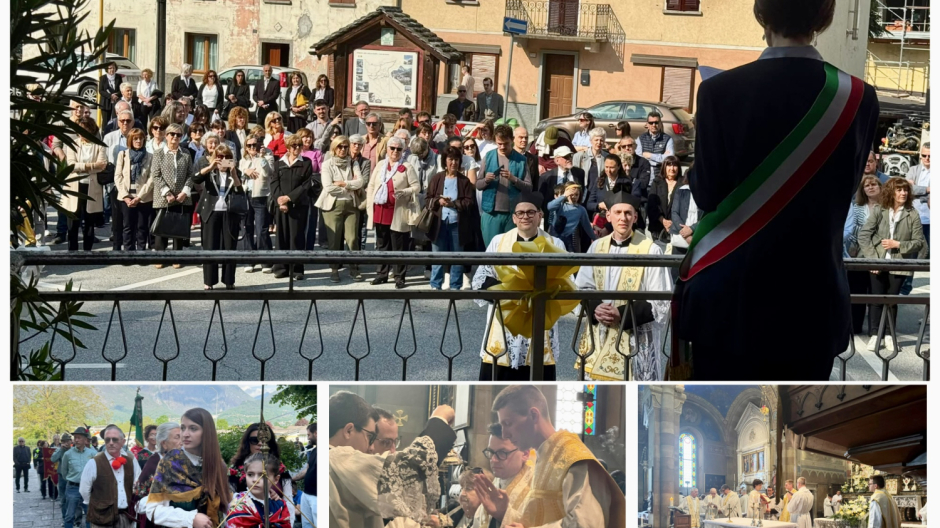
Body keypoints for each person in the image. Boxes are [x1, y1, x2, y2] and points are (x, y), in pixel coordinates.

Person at [672, 0, 879, 381]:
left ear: (760, 15)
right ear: (825, 18)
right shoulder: (857, 96)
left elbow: (707, 193)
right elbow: (845, 190)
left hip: (728, 301)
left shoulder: (719, 91)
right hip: (812, 304)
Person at [475, 385, 625, 527]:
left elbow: (586, 524)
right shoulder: (543, 457)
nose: (504, 434)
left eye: (508, 423)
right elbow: (537, 520)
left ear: (533, 415)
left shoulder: (572, 457)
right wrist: (504, 514)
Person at [575, 188, 672, 381]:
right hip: (600, 334)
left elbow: (660, 299)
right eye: (618, 212)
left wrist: (622, 313)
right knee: (597, 398)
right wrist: (596, 308)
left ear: (636, 217)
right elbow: (582, 287)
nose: (623, 218)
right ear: (608, 216)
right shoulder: (596, 247)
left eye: (628, 213)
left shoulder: (650, 250)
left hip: (635, 337)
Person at [328, 390, 457, 528]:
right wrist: (439, 420)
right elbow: (411, 467)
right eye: (370, 436)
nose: (370, 448)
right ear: (348, 431)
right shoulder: (336, 458)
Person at [472, 193, 567, 381]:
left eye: (531, 212)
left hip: (539, 316)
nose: (525, 216)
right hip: (503, 318)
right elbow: (481, 278)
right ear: (514, 218)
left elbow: (566, 282)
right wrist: (510, 292)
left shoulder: (555, 244)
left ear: (540, 216)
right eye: (521, 213)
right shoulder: (498, 242)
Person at [859, 177, 926, 350]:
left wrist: (899, 245)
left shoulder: (912, 213)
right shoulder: (880, 210)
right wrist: (872, 259)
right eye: (899, 190)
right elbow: (864, 235)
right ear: (891, 192)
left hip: (900, 264)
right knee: (876, 299)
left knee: (891, 300)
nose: (903, 193)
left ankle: (889, 334)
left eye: (905, 190)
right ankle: (875, 335)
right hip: (878, 261)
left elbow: (919, 242)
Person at [140, 408, 231, 528]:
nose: (185, 434)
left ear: (207, 432)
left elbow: (225, 505)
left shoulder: (218, 464)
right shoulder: (170, 463)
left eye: (193, 428)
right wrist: (189, 519)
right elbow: (152, 509)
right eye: (183, 428)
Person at [366, 136, 419, 288]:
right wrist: (370, 204)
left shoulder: (407, 166)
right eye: (392, 148)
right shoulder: (381, 164)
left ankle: (399, 278)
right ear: (387, 149)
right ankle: (381, 274)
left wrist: (406, 191)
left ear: (403, 151)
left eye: (399, 149)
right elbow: (371, 185)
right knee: (382, 244)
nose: (395, 151)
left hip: (398, 211)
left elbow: (416, 186)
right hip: (380, 210)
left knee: (399, 246)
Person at [426, 146, 479, 290]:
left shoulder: (464, 181)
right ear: (445, 161)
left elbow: (469, 202)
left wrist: (454, 204)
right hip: (439, 222)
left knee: (457, 255)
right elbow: (428, 198)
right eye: (450, 159)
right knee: (437, 255)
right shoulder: (437, 178)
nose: (453, 163)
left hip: (457, 223)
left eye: (456, 159)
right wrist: (439, 202)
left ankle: (456, 285)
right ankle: (435, 285)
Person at [193, 144, 244, 290]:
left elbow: (240, 193)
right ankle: (209, 281)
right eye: (220, 157)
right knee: (210, 247)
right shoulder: (209, 171)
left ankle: (229, 280)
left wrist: (234, 175)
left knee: (229, 247)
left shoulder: (235, 172)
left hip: (229, 213)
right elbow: (195, 179)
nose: (223, 160)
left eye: (227, 157)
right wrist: (209, 167)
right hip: (210, 212)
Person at [317, 135, 367, 282]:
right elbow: (329, 187)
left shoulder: (353, 163)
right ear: (334, 147)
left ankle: (354, 268)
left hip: (351, 205)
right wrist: (349, 187)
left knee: (352, 239)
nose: (343, 149)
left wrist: (344, 184)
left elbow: (360, 182)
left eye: (346, 146)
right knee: (334, 239)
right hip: (332, 205)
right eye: (340, 146)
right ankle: (334, 269)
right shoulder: (327, 164)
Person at [476, 125, 533, 245]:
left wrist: (514, 179)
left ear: (512, 140)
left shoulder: (521, 160)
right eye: (499, 143)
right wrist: (486, 180)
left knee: (510, 250)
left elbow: (529, 187)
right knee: (492, 251)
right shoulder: (489, 156)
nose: (502, 147)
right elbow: (478, 184)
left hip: (513, 214)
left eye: (506, 144)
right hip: (491, 213)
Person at [271, 135, 317, 280]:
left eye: (299, 145)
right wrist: (280, 201)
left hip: (298, 205)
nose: (297, 148)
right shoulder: (279, 163)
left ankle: (297, 269)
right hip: (281, 206)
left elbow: (306, 184)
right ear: (288, 147)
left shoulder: (306, 163)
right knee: (281, 236)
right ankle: (281, 268)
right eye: (293, 145)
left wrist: (289, 198)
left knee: (296, 237)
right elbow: (274, 183)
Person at [78, 425, 142, 528]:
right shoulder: (94, 462)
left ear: (123, 442)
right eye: (107, 440)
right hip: (102, 520)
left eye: (115, 439)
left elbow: (138, 484)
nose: (111, 443)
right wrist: (99, 506)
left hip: (127, 517)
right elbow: (84, 490)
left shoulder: (131, 461)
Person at [150, 123, 196, 267]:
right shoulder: (158, 153)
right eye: (172, 134)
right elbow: (156, 175)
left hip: (181, 196)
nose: (175, 137)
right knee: (162, 228)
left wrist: (185, 192)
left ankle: (177, 257)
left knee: (178, 228)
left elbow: (191, 174)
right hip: (163, 197)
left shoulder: (186, 153)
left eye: (178, 135)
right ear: (166, 136)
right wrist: (167, 193)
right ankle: (160, 257)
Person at [844, 176, 882, 334]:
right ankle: (855, 326)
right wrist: (852, 248)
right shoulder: (857, 207)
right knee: (857, 292)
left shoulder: (886, 207)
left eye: (874, 184)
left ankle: (876, 330)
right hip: (858, 254)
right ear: (863, 190)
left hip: (878, 255)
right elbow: (853, 230)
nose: (871, 187)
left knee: (875, 294)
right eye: (867, 185)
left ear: (880, 187)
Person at [64, 117, 107, 251]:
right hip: (74, 186)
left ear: (91, 129)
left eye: (85, 128)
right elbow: (71, 165)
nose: (82, 132)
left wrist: (81, 166)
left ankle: (87, 250)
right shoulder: (73, 143)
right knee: (73, 220)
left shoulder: (99, 145)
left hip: (91, 186)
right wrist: (91, 166)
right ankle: (72, 250)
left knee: (89, 220)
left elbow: (102, 165)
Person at [237, 131, 276, 273]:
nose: (253, 147)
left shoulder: (268, 155)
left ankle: (266, 261)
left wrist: (262, 157)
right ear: (246, 147)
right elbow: (238, 174)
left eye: (255, 144)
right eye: (250, 145)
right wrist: (245, 171)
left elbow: (269, 173)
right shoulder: (243, 160)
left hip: (261, 196)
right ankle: (250, 260)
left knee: (262, 229)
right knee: (247, 228)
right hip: (246, 195)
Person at [133, 423, 182, 528]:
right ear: (164, 443)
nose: (182, 442)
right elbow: (138, 502)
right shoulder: (154, 464)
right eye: (177, 437)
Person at [225, 453, 292, 528]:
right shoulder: (237, 505)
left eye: (262, 476)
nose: (255, 480)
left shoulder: (280, 505)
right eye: (250, 474)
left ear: (276, 479)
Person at [115, 127, 154, 251]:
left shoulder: (149, 156)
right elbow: (118, 176)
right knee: (127, 226)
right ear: (130, 140)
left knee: (142, 226)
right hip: (126, 197)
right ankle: (128, 252)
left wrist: (139, 197)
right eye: (135, 139)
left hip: (143, 197)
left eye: (141, 139)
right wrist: (125, 196)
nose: (138, 141)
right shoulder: (123, 154)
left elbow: (151, 178)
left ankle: (141, 251)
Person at [56, 427, 99, 528]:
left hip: (89, 488)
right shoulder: (68, 454)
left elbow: (96, 470)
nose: (76, 440)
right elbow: (64, 472)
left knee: (90, 515)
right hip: (72, 488)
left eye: (79, 437)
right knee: (69, 515)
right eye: (75, 437)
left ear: (85, 440)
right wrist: (73, 480)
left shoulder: (92, 454)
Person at [538, 146, 585, 229]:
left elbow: (582, 193)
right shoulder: (547, 177)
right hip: (553, 220)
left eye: (570, 156)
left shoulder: (579, 173)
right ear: (557, 160)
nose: (569, 159)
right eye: (566, 157)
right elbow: (541, 198)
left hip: (574, 218)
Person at [227, 423, 282, 493]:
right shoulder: (235, 469)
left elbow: (289, 499)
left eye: (265, 440)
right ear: (247, 442)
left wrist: (278, 501)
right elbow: (231, 498)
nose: (260, 443)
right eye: (254, 440)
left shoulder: (279, 468)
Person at [586, 154, 633, 230]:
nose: (608, 171)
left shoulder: (626, 182)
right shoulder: (599, 181)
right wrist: (599, 205)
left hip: (617, 222)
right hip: (599, 222)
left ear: (619, 167)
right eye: (606, 167)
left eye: (612, 168)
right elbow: (589, 204)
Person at [548, 182, 595, 252]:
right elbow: (550, 207)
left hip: (568, 238)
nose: (574, 197)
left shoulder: (581, 210)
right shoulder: (561, 205)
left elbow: (587, 227)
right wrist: (564, 196)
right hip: (555, 236)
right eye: (571, 194)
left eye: (576, 195)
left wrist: (596, 239)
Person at [648, 155, 683, 240]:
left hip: (677, 228)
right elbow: (651, 204)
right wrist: (663, 220)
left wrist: (673, 223)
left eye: (675, 165)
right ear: (664, 167)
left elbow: (684, 206)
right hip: (658, 227)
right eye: (669, 165)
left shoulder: (683, 183)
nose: (672, 168)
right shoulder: (657, 182)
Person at [636, 111, 675, 181]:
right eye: (651, 123)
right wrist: (660, 159)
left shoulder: (668, 139)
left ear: (660, 124)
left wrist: (650, 156)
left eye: (656, 122)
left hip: (661, 177)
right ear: (647, 124)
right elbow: (638, 158)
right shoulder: (640, 138)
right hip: (644, 177)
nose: (654, 125)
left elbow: (669, 159)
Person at [906, 142, 930, 247]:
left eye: (930, 156)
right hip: (915, 217)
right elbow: (909, 189)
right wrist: (928, 190)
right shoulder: (913, 170)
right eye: (924, 155)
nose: (927, 158)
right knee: (913, 249)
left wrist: (917, 190)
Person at [573, 128, 610, 195]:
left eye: (601, 140)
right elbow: (575, 177)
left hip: (599, 192)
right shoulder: (579, 156)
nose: (599, 143)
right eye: (596, 140)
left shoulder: (607, 157)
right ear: (591, 141)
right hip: (583, 192)